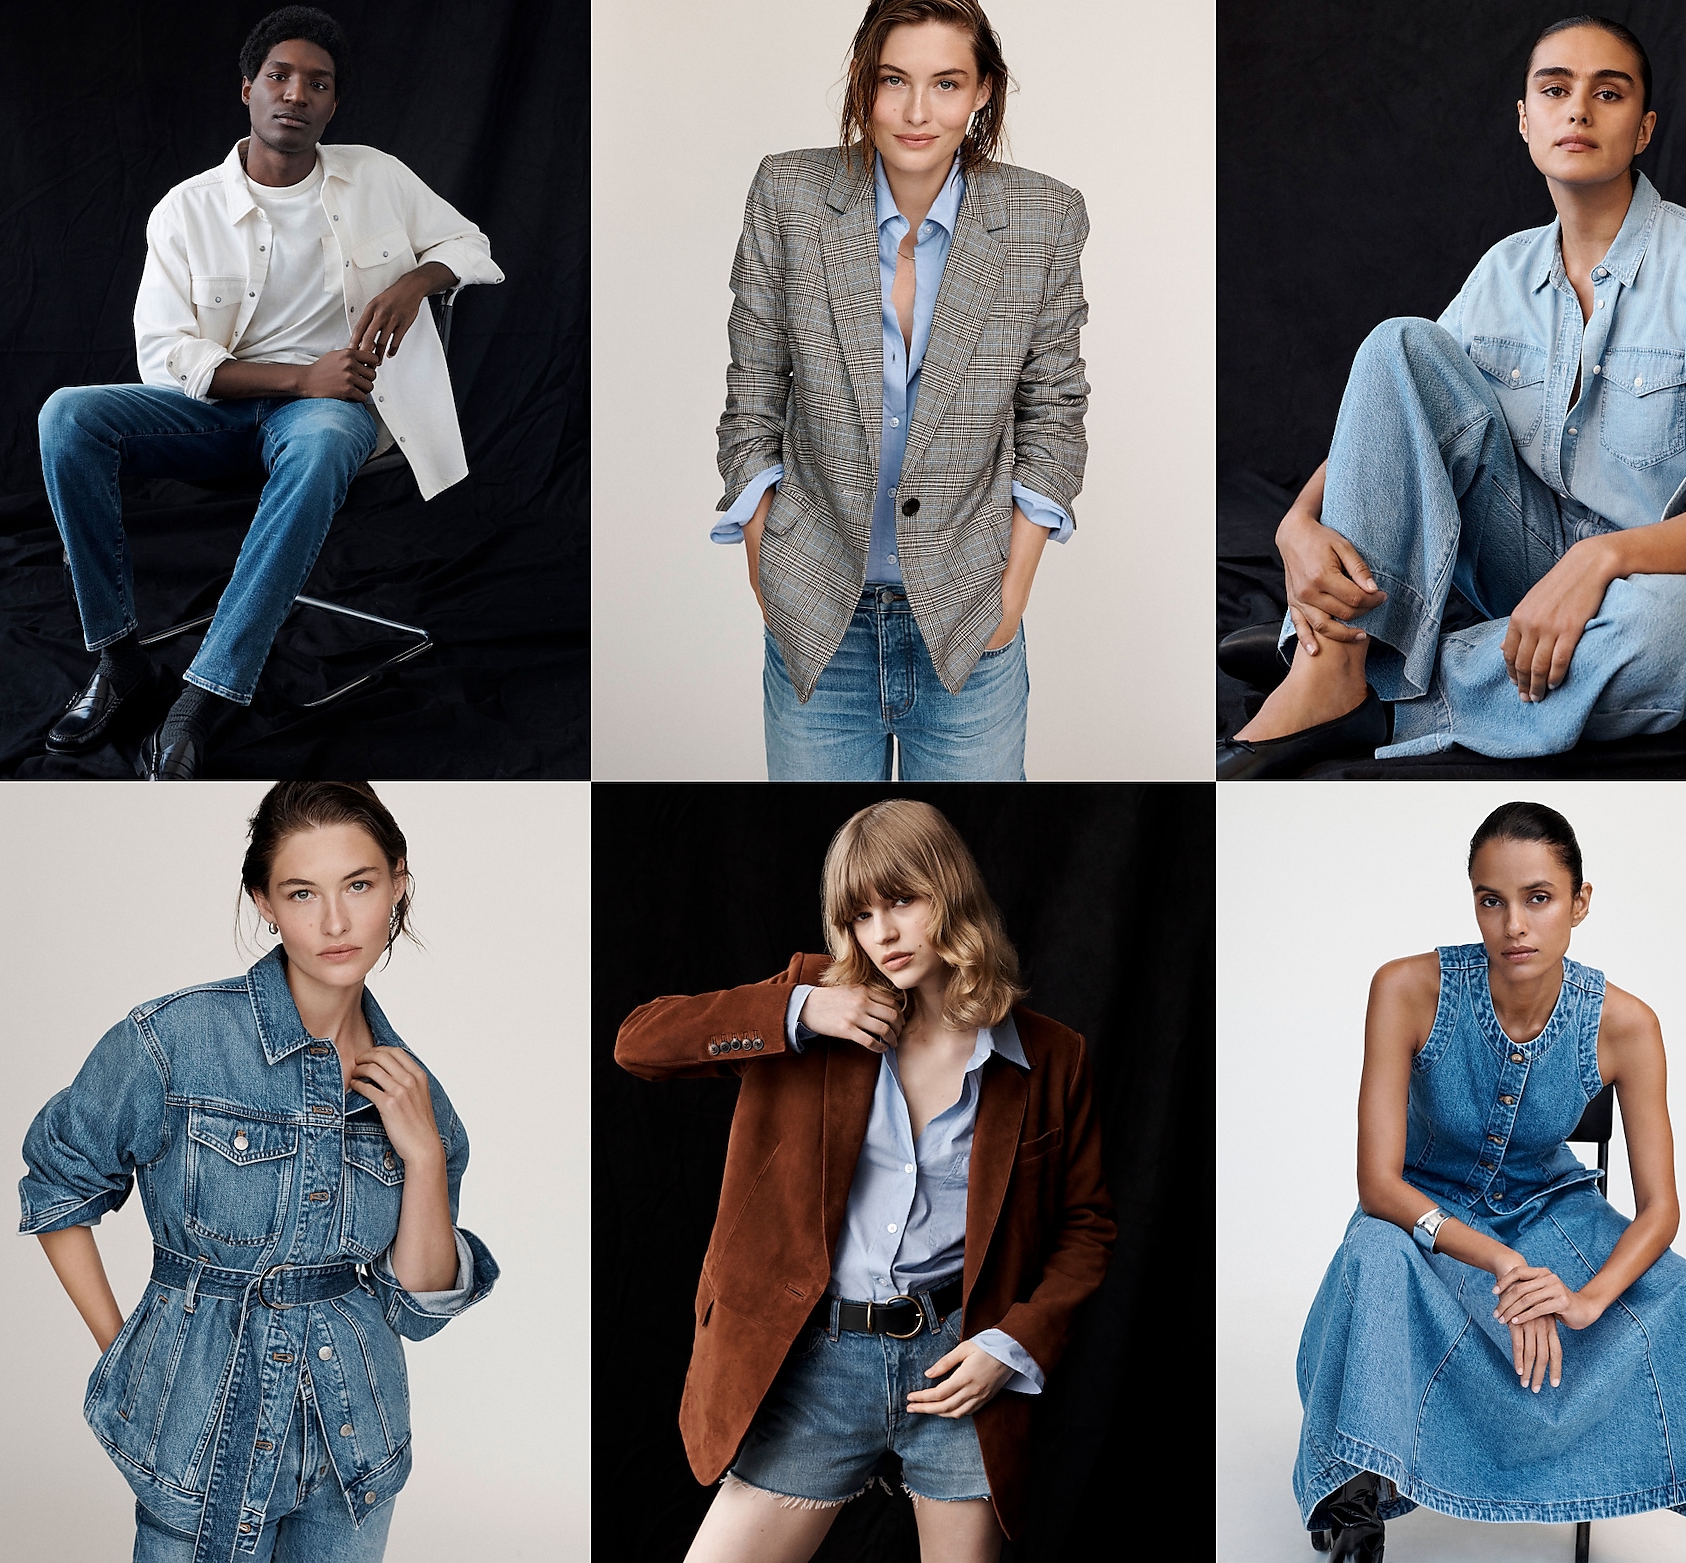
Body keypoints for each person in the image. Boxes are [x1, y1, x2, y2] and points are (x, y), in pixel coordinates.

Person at [1217, 15, 1686, 778]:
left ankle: (1358, 674)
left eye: (1608, 93)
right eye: (1556, 90)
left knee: (1667, 637)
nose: (1578, 110)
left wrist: (1603, 560)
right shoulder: (1501, 272)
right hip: (1522, 569)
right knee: (1399, 341)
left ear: (1644, 128)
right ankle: (1339, 660)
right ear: (1526, 120)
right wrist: (1297, 520)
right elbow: (1401, 400)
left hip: (1672, 589)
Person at [1294, 802, 1686, 1562]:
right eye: (1492, 899)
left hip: (1557, 1213)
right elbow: (1378, 1184)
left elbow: (1661, 1207)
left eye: (1538, 898)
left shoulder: (1627, 1023)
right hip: (1423, 1213)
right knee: (1372, 1261)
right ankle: (1356, 1525)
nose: (1514, 924)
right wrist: (1504, 1263)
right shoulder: (1406, 988)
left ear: (1580, 902)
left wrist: (1583, 1299)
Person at [614, 799, 1114, 1562]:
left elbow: (1086, 1227)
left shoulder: (1051, 1055)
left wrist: (1011, 1343)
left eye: (902, 900)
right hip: (815, 1358)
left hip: (957, 1363)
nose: (880, 933)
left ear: (951, 892)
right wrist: (803, 1008)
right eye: (858, 915)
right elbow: (638, 1043)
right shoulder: (817, 1005)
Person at [17, 781, 497, 1562]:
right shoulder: (174, 1040)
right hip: (201, 1442)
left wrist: (424, 1155)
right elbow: (56, 1182)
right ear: (264, 901)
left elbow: (416, 1307)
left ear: (397, 884)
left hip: (356, 1456)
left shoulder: (415, 1092)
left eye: (360, 885)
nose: (335, 922)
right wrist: (128, 1356)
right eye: (302, 892)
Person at [38, 6, 502, 779]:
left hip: (333, 412)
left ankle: (206, 695)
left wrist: (415, 282)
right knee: (68, 415)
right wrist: (296, 375)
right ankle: (120, 662)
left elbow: (472, 244)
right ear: (248, 89)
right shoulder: (187, 209)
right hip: (215, 410)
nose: (297, 94)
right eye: (280, 77)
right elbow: (166, 354)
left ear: (332, 104)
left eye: (317, 84)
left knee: (322, 437)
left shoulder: (376, 175)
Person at [712, 0, 1087, 782]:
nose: (918, 112)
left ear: (984, 91)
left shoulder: (1044, 218)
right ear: (863, 84)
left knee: (965, 870)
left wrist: (1010, 597)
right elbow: (751, 393)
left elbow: (1053, 414)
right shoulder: (789, 196)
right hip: (819, 619)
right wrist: (766, 572)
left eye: (946, 83)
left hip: (967, 621)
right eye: (894, 81)